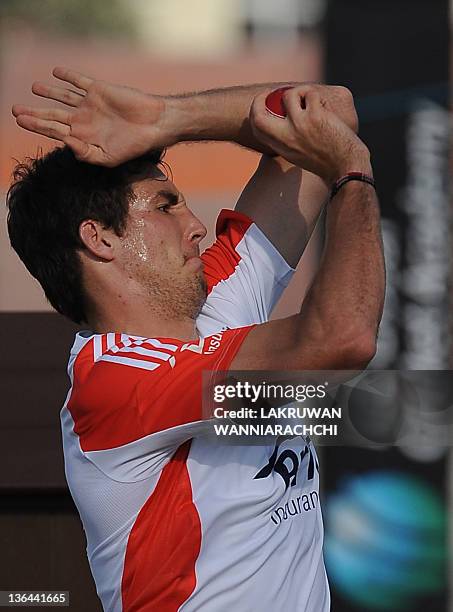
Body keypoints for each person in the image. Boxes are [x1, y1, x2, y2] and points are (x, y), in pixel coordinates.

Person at [9, 68, 385, 612]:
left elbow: (329, 111)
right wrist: (352, 174)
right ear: (100, 238)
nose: (196, 225)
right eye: (165, 206)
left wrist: (168, 118)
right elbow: (342, 338)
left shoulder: (216, 298)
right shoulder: (114, 380)